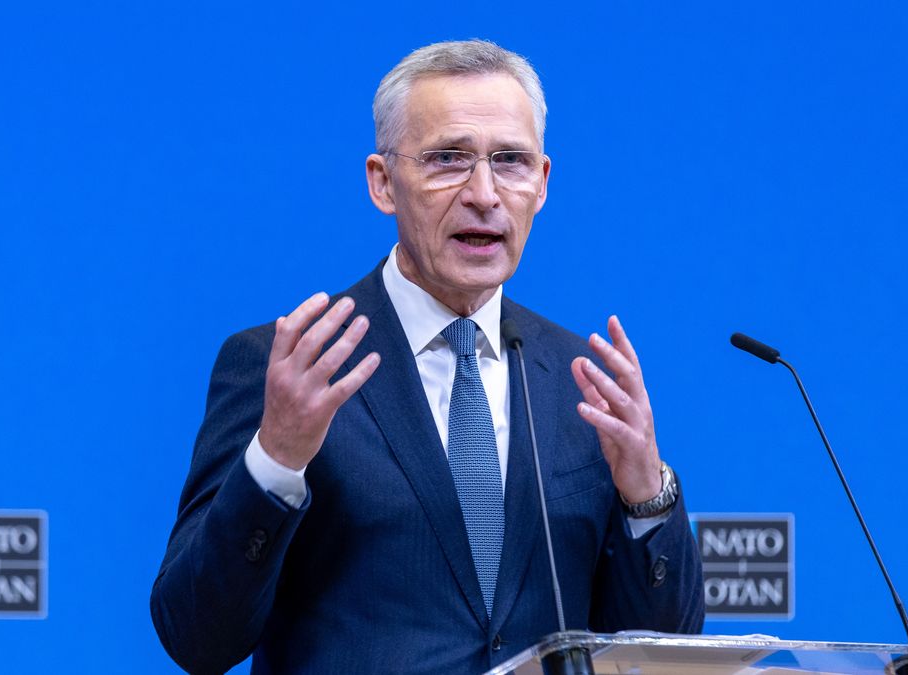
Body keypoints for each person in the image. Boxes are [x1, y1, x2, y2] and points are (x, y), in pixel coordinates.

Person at [151, 39, 704, 674]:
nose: (484, 193)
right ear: (383, 183)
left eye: (510, 161)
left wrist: (645, 496)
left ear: (543, 184)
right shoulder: (294, 366)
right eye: (448, 159)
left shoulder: (581, 381)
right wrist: (276, 458)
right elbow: (195, 638)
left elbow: (664, 654)